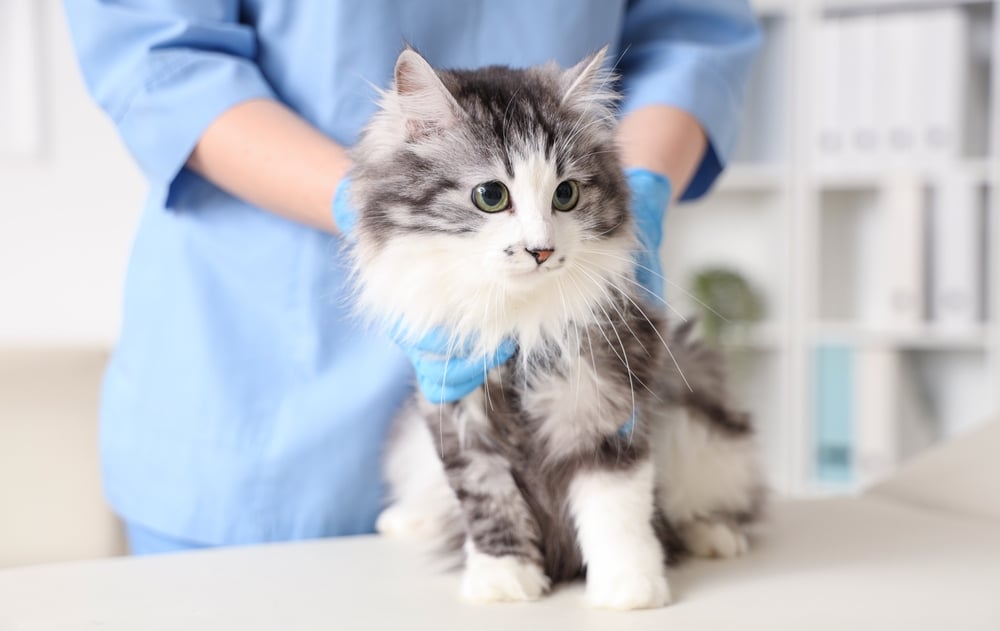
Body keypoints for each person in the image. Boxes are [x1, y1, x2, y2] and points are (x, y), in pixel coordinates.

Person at [64, 0, 761, 554]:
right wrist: (366, 203)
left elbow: (690, 36)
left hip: (561, 323)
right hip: (261, 386)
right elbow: (164, 58)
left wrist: (633, 187)